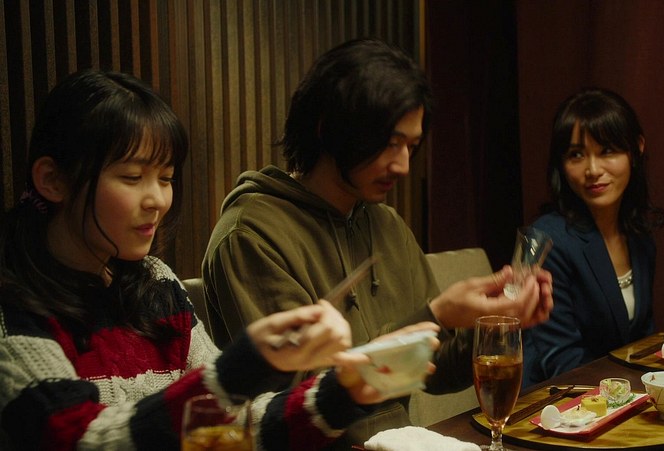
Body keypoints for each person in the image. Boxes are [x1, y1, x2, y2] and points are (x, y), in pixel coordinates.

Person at [0, 69, 440, 451]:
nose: (157, 200)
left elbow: (231, 423)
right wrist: (241, 369)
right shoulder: (14, 303)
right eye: (132, 177)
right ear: (52, 180)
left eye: (166, 178)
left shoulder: (155, 283)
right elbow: (81, 440)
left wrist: (344, 390)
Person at [202, 38, 553, 446]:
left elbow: (435, 373)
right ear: (328, 128)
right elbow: (299, 404)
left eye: (411, 147)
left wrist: (497, 326)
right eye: (389, 143)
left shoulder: (386, 224)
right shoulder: (251, 235)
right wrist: (437, 314)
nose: (403, 165)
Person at [521, 88, 664, 387]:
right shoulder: (547, 240)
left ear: (636, 149)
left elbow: (641, 342)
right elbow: (561, 360)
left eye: (607, 151)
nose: (592, 169)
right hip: (554, 402)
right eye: (576, 155)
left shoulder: (639, 235)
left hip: (616, 397)